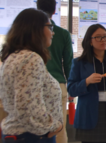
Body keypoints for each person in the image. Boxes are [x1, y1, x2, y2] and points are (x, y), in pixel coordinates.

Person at [0, 8, 63, 142]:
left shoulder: (13, 57)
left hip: (23, 134)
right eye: (50, 26)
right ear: (36, 29)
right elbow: (27, 108)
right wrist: (54, 126)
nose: (53, 32)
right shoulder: (30, 59)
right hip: (32, 136)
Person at [67, 24, 106, 143]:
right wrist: (87, 81)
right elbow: (71, 89)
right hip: (88, 112)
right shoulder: (79, 63)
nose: (103, 40)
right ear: (90, 41)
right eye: (98, 37)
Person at [36, 0, 74, 142]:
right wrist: (71, 89)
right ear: (54, 10)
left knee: (34, 128)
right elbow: (69, 64)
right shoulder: (63, 34)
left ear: (37, 7)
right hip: (58, 85)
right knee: (58, 128)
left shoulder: (30, 32)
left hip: (33, 85)